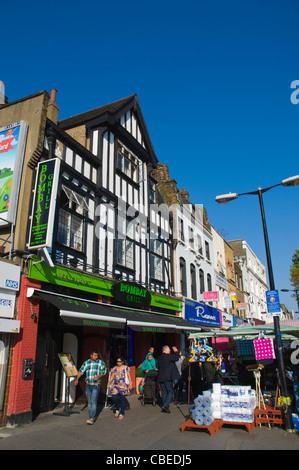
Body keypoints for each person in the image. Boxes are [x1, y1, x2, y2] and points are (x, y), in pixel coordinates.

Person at [75, 349, 107, 425]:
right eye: (95, 355)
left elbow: (104, 371)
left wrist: (99, 376)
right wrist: (77, 379)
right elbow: (81, 371)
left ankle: (92, 417)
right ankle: (90, 416)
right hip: (88, 384)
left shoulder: (100, 362)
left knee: (94, 400)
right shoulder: (87, 363)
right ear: (91, 355)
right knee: (89, 401)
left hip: (96, 385)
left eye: (97, 355)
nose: (96, 357)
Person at [157, 345, 180, 413]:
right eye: (169, 349)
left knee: (164, 392)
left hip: (161, 377)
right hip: (167, 377)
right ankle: (166, 405)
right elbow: (176, 358)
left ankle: (165, 405)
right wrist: (176, 352)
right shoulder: (167, 356)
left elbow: (157, 366)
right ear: (166, 350)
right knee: (170, 391)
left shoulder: (160, 357)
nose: (170, 351)